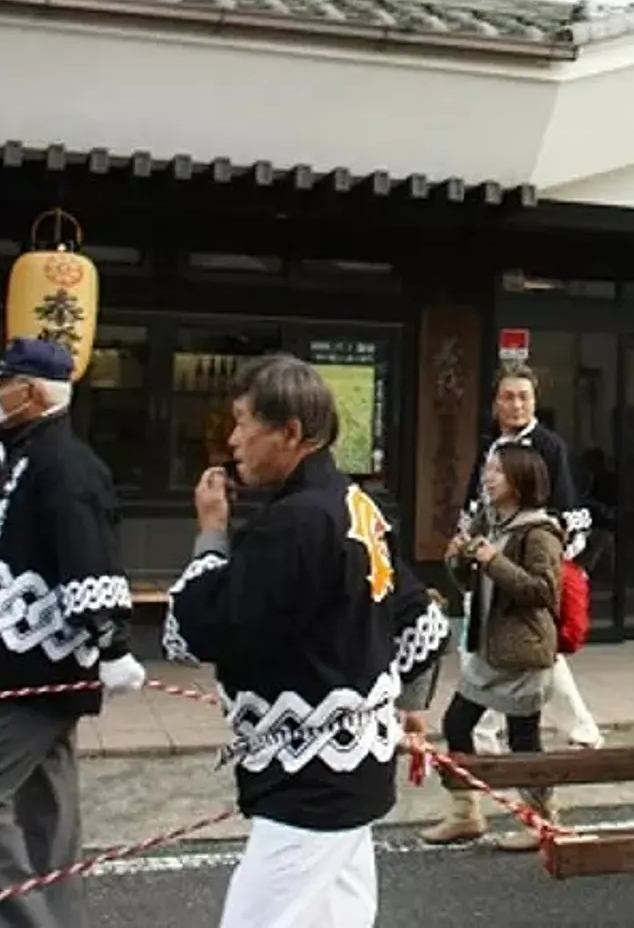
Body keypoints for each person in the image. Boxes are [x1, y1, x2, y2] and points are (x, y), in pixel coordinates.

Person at [162, 354, 449, 928]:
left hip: (308, 779)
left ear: (291, 432)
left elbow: (205, 629)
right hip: (353, 763)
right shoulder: (354, 504)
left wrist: (212, 533)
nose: (233, 439)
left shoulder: (294, 523)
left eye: (244, 422)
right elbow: (424, 623)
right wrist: (403, 705)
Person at [0, 338, 144, 928]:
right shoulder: (31, 457)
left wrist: (111, 641)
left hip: (38, 660)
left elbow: (88, 556)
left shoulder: (63, 466)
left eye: (3, 385)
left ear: (38, 393)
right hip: (28, 654)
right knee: (47, 808)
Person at [421, 442, 565, 849]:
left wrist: (492, 560)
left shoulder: (539, 532)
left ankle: (541, 821)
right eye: (487, 468)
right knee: (456, 724)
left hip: (522, 653)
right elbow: (475, 583)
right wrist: (458, 559)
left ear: (520, 481)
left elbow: (543, 593)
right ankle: (465, 813)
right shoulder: (493, 523)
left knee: (523, 739)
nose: (488, 476)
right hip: (489, 648)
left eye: (498, 471)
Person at [457, 363, 604, 753]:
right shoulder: (489, 443)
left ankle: (495, 739)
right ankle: (491, 738)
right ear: (494, 402)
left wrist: (554, 555)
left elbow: (567, 510)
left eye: (524, 396)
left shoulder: (549, 446)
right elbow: (475, 502)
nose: (516, 404)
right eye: (508, 396)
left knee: (528, 654)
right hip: (486, 561)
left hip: (525, 564)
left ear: (536, 401)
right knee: (502, 653)